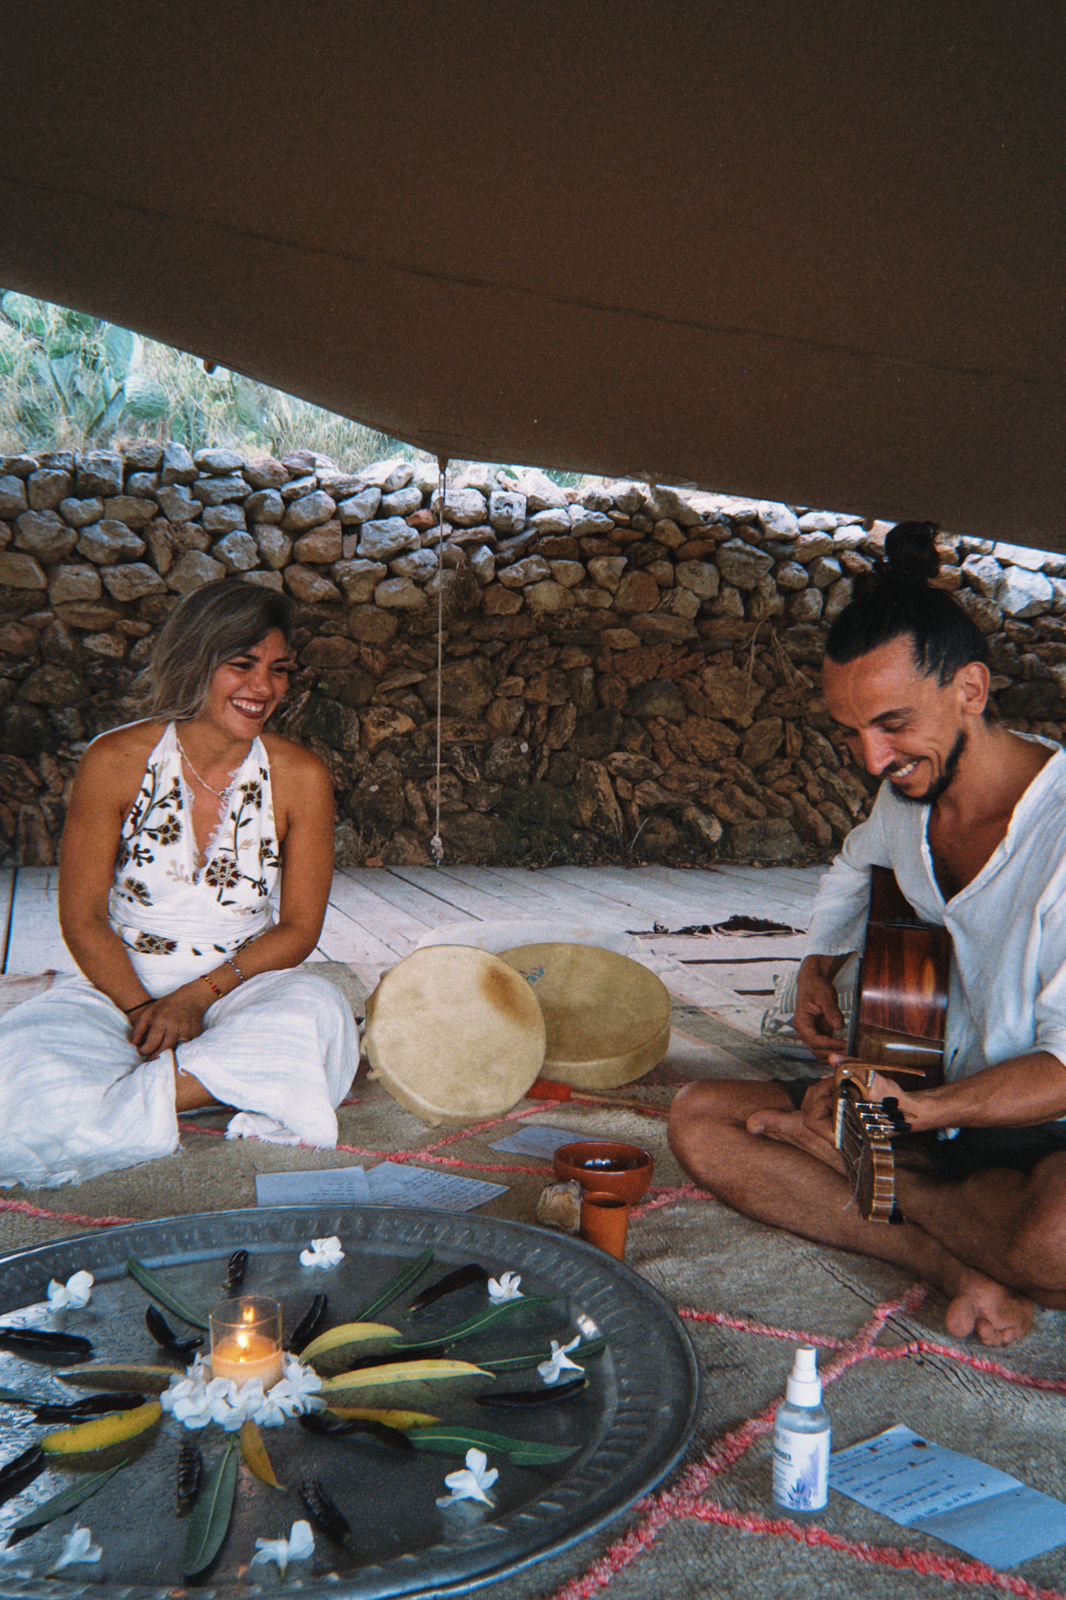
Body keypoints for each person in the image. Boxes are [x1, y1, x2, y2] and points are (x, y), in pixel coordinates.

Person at [669, 522, 1066, 1347]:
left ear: (971, 689)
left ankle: (896, 1189)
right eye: (850, 732)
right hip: (922, 1100)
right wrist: (820, 962)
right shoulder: (904, 801)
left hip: (1037, 1125)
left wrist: (908, 1115)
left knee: (1054, 1239)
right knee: (700, 1118)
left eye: (892, 724)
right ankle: (952, 1261)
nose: (872, 759)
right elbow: (855, 866)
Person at [0, 580, 359, 1188]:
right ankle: (197, 1084)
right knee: (18, 1064)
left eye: (278, 670)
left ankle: (115, 1099)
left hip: (242, 985)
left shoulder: (301, 776)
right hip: (118, 989)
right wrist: (145, 1011)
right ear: (195, 661)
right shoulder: (114, 760)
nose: (263, 688)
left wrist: (195, 999)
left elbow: (299, 930)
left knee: (316, 1013)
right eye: (241, 664)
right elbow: (82, 918)